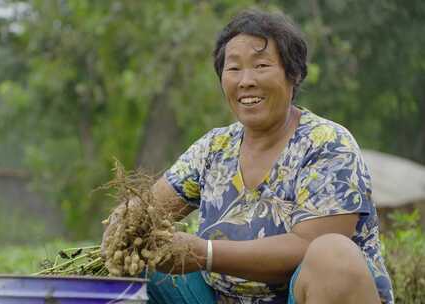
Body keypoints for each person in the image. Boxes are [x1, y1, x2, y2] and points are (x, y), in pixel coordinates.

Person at [102, 9, 393, 304]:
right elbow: (151, 208)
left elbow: (310, 245)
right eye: (234, 69)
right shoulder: (214, 148)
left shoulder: (327, 145)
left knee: (333, 255)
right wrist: (125, 222)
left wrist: (205, 253)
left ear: (293, 75)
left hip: (301, 296)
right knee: (134, 255)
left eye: (261, 66)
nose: (246, 81)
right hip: (219, 297)